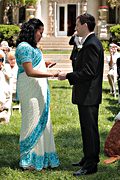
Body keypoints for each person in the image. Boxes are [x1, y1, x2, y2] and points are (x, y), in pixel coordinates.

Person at [58, 13, 104, 176]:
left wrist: (68, 76)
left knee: (90, 129)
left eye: (77, 25)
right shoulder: (88, 42)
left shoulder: (92, 44)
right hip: (86, 95)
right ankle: (87, 158)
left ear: (85, 25)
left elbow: (89, 71)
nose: (75, 28)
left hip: (89, 95)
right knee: (87, 129)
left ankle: (91, 165)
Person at [15, 18, 60, 171]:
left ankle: (44, 157)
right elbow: (29, 71)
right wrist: (50, 74)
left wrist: (45, 63)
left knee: (43, 121)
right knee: (31, 121)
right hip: (30, 90)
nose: (41, 35)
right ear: (32, 31)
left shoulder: (33, 48)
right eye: (40, 32)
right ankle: (29, 160)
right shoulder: (23, 47)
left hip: (38, 88)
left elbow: (34, 63)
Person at [0, 52, 12, 123]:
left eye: (1, 60)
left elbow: (9, 76)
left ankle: (3, 114)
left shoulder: (6, 67)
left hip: (5, 90)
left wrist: (3, 69)